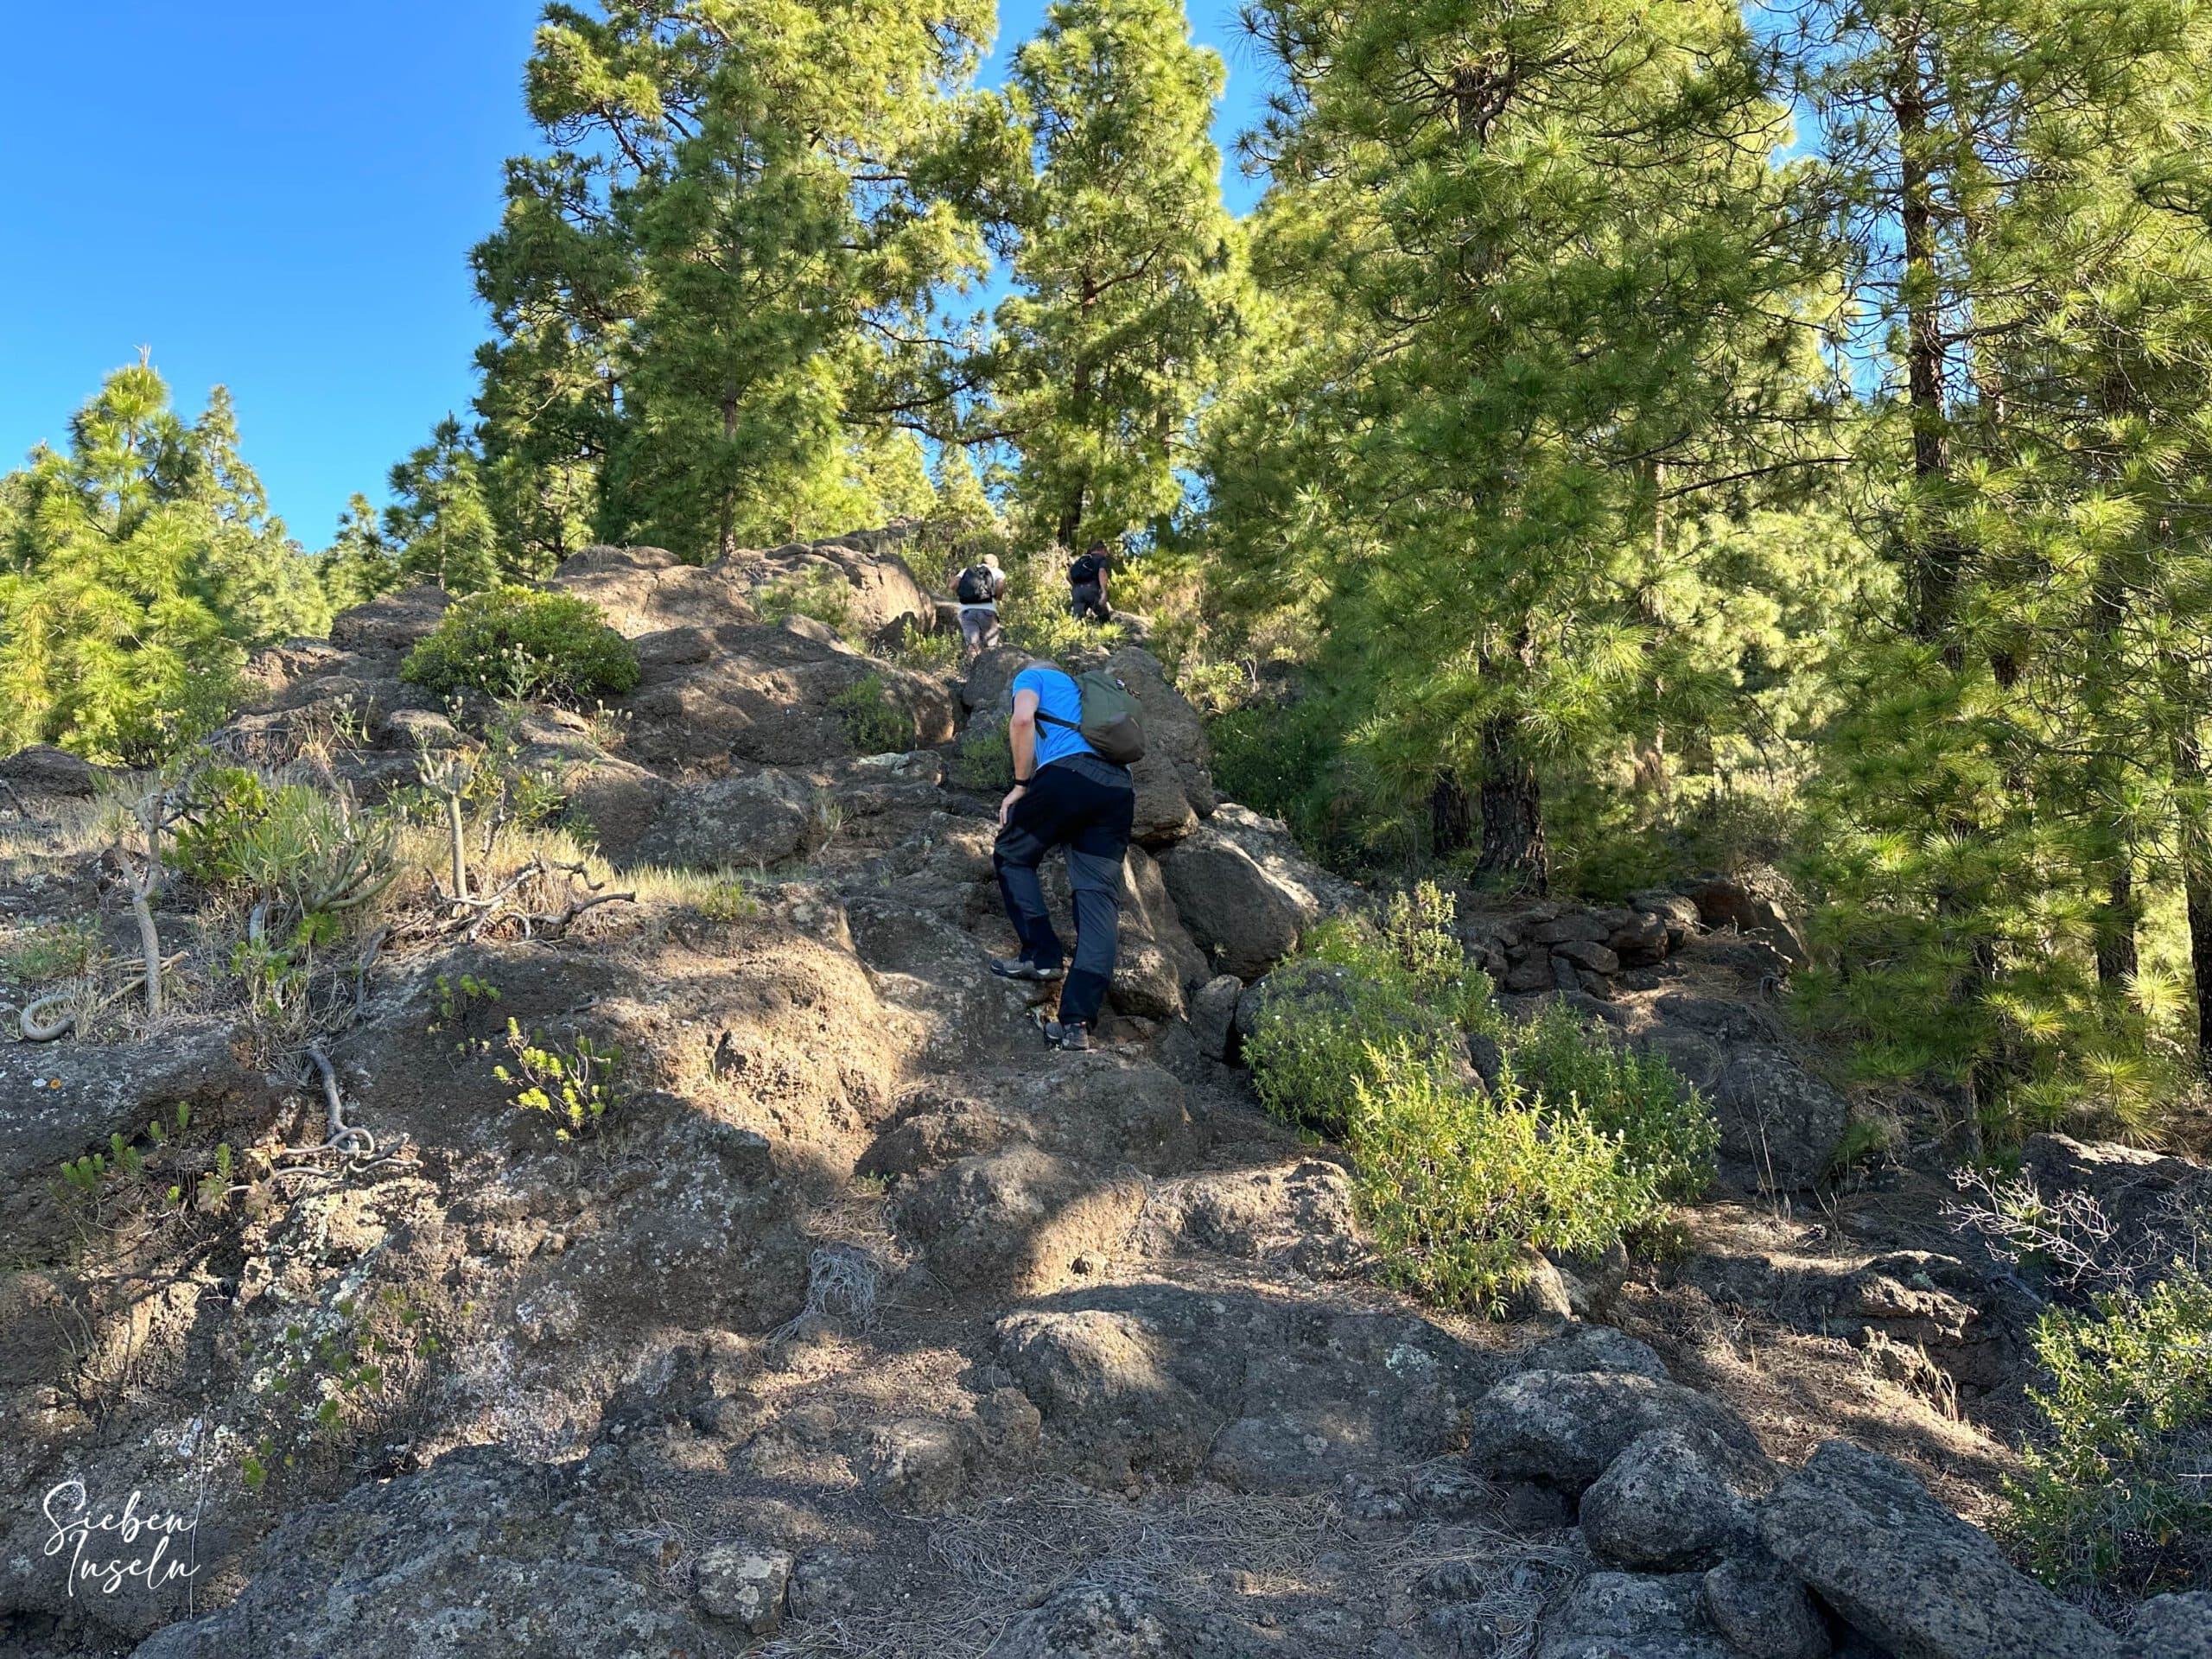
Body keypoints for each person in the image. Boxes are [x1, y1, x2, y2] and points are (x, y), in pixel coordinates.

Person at [988, 658, 1135, 1051]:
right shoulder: (1089, 696)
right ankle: (1076, 1024)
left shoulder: (1034, 675)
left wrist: (1021, 784)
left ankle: (1041, 956)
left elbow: (1022, 720)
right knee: (1098, 900)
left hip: (1068, 776)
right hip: (1118, 791)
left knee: (1012, 853)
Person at [952, 553, 1006, 659]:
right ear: (995, 563)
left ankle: (973, 666)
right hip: (988, 611)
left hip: (967, 611)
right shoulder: (997, 571)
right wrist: (998, 597)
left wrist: (963, 594)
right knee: (990, 647)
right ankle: (989, 667)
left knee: (973, 647)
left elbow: (952, 585)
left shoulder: (966, 570)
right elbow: (1000, 586)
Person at [1067, 542, 1113, 624]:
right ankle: (1104, 629)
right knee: (1104, 616)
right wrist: (1104, 592)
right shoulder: (1101, 559)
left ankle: (1077, 630)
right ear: (1102, 550)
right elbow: (1102, 572)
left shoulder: (1082, 560)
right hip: (1092, 589)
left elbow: (1068, 575)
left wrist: (1076, 586)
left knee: (1077, 619)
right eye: (1105, 551)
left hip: (1076, 591)